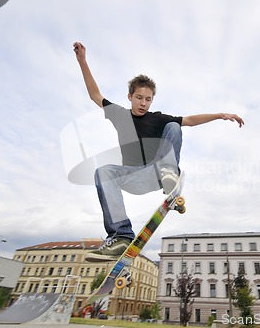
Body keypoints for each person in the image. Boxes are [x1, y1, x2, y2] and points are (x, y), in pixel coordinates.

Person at [73, 41, 244, 261]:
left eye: (148, 99)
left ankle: (169, 174)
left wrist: (220, 115)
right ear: (130, 97)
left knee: (173, 126)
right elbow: (95, 95)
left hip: (158, 172)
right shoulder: (119, 115)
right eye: (139, 98)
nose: (143, 103)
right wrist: (83, 61)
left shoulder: (157, 117)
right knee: (102, 171)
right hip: (134, 176)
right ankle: (121, 235)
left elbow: (189, 120)